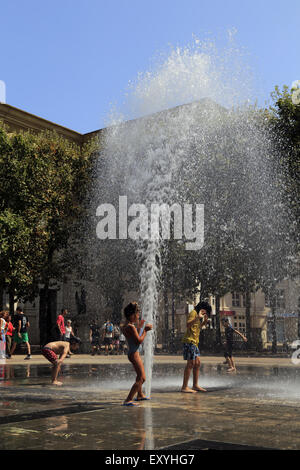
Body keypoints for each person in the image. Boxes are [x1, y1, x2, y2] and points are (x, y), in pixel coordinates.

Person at [121, 302, 152, 406]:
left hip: (133, 353)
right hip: (134, 354)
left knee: (139, 376)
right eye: (137, 314)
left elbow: (134, 338)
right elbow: (139, 340)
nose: (138, 316)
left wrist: (139, 327)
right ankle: (128, 399)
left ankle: (140, 394)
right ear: (132, 315)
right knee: (142, 378)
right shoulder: (131, 327)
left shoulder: (126, 326)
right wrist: (145, 331)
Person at [181, 301, 211, 393]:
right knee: (190, 364)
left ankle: (195, 385)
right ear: (202, 308)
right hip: (189, 341)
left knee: (197, 363)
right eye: (205, 311)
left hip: (195, 343)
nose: (205, 313)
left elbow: (197, 328)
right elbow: (188, 324)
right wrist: (197, 317)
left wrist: (204, 321)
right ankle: (184, 387)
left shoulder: (198, 315)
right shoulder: (193, 313)